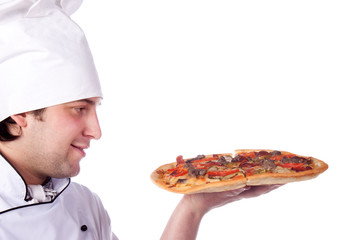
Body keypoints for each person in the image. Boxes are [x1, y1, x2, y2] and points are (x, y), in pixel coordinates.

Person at [0, 1, 280, 239]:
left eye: (95, 108)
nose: (96, 131)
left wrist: (194, 206)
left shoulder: (82, 204)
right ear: (22, 112)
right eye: (78, 109)